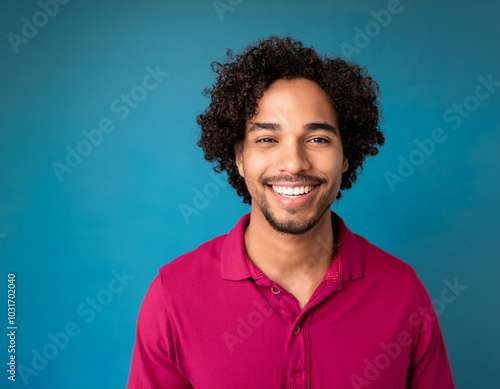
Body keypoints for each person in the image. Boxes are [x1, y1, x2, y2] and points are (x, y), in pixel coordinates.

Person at [127, 36, 455, 389]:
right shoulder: (172, 296)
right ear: (239, 156)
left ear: (346, 155)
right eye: (267, 139)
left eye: (317, 139)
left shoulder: (403, 292)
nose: (294, 163)